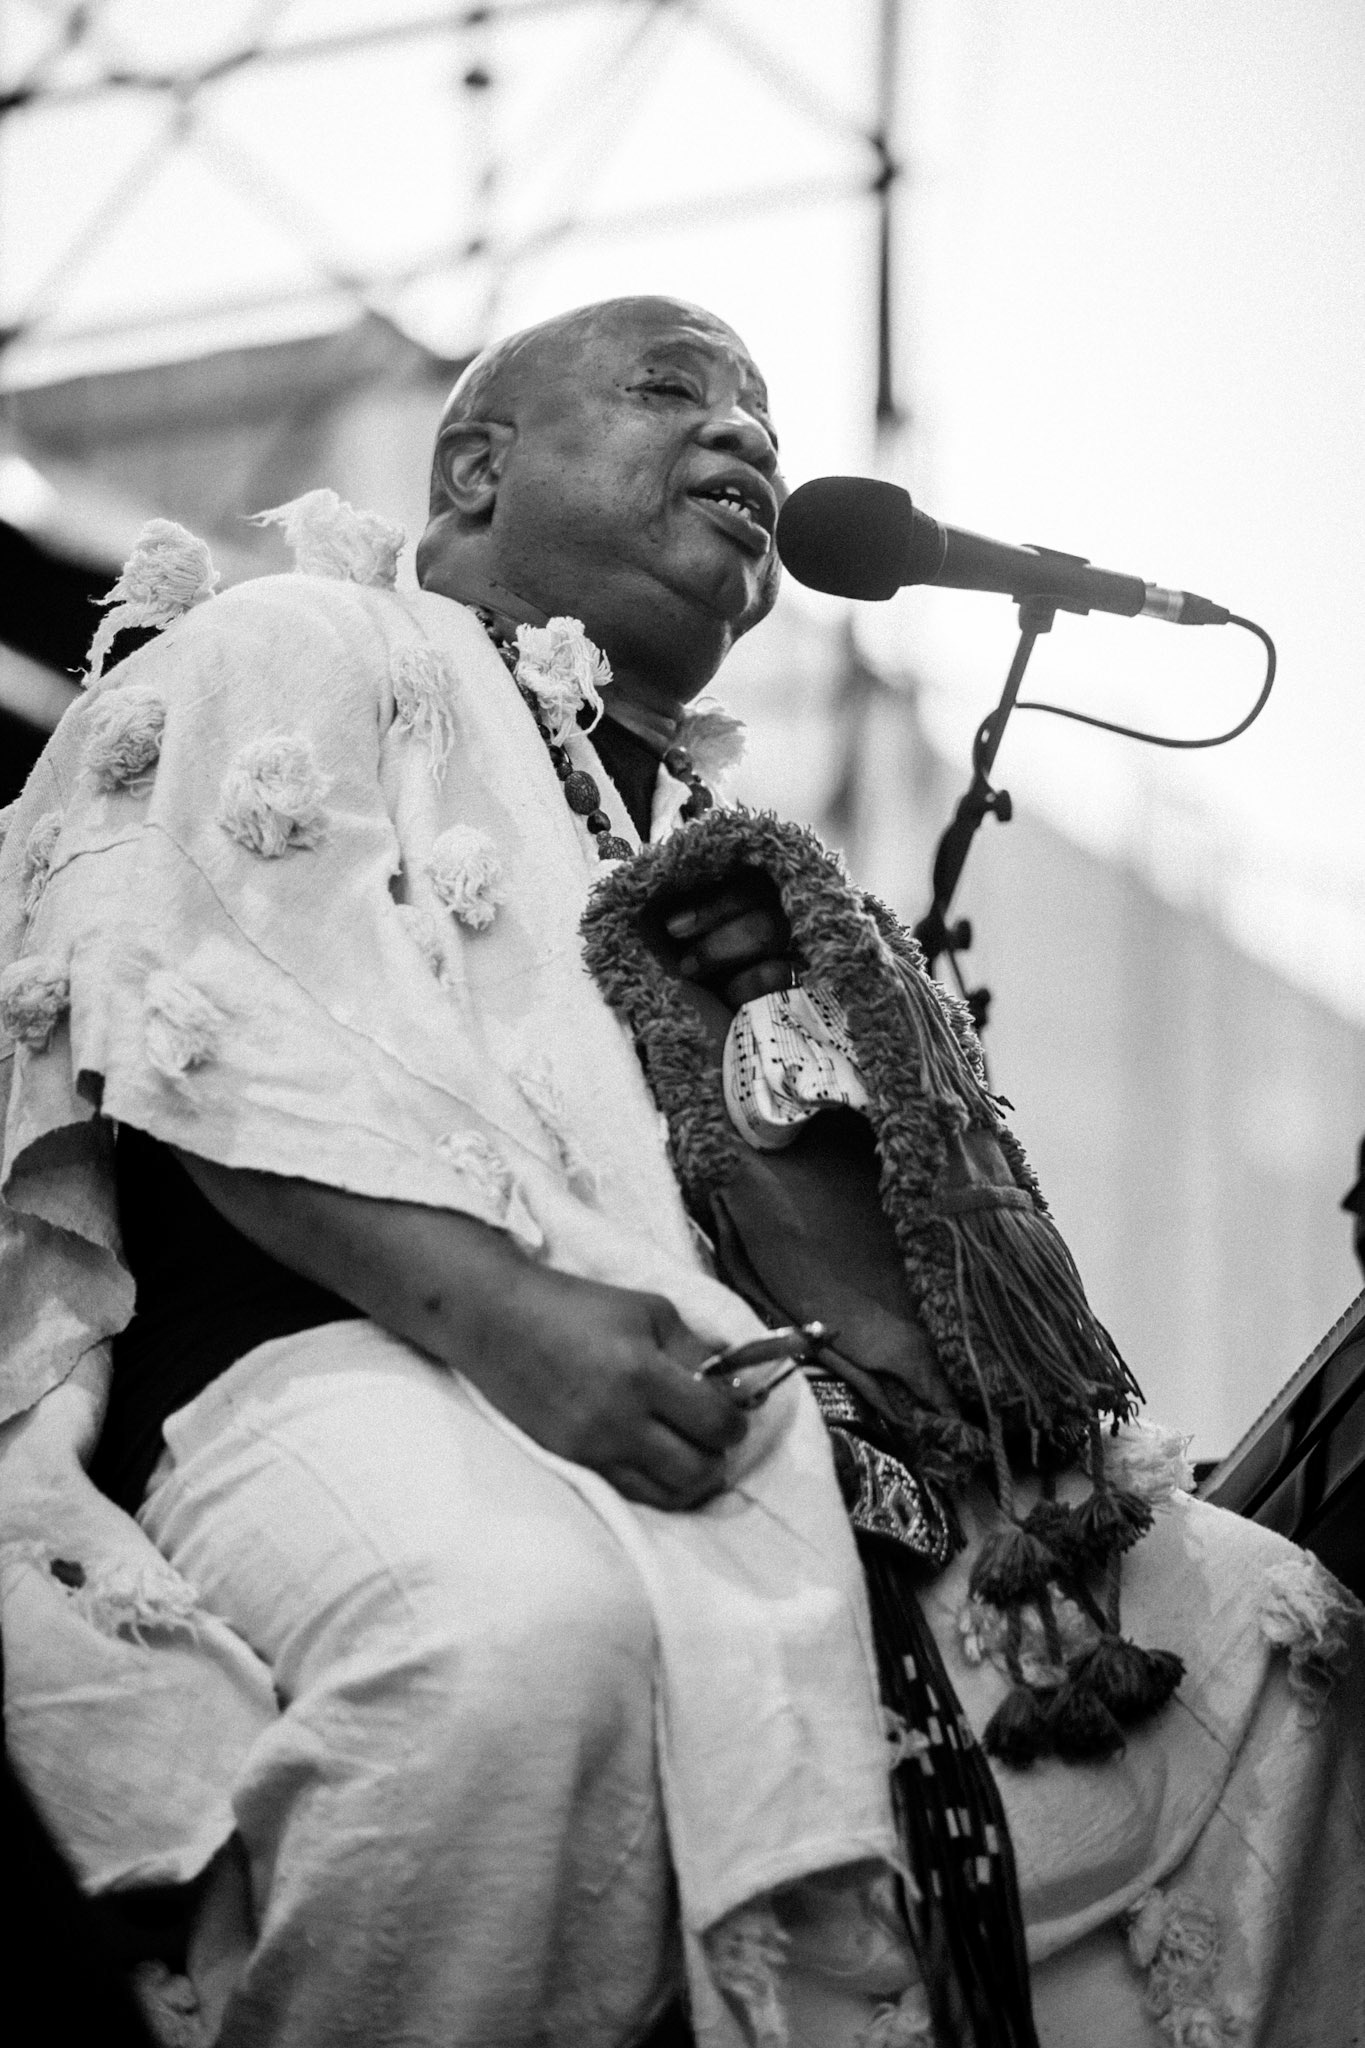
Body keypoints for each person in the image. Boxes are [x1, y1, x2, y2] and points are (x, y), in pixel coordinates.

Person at [0, 296, 1361, 2048]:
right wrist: (511, 1318)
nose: (745, 444)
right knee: (519, 1657)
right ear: (475, 471)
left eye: (768, 429)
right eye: (672, 391)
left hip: (753, 1446)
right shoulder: (309, 637)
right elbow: (190, 1013)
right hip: (349, 1356)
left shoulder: (723, 851)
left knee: (1266, 1628)